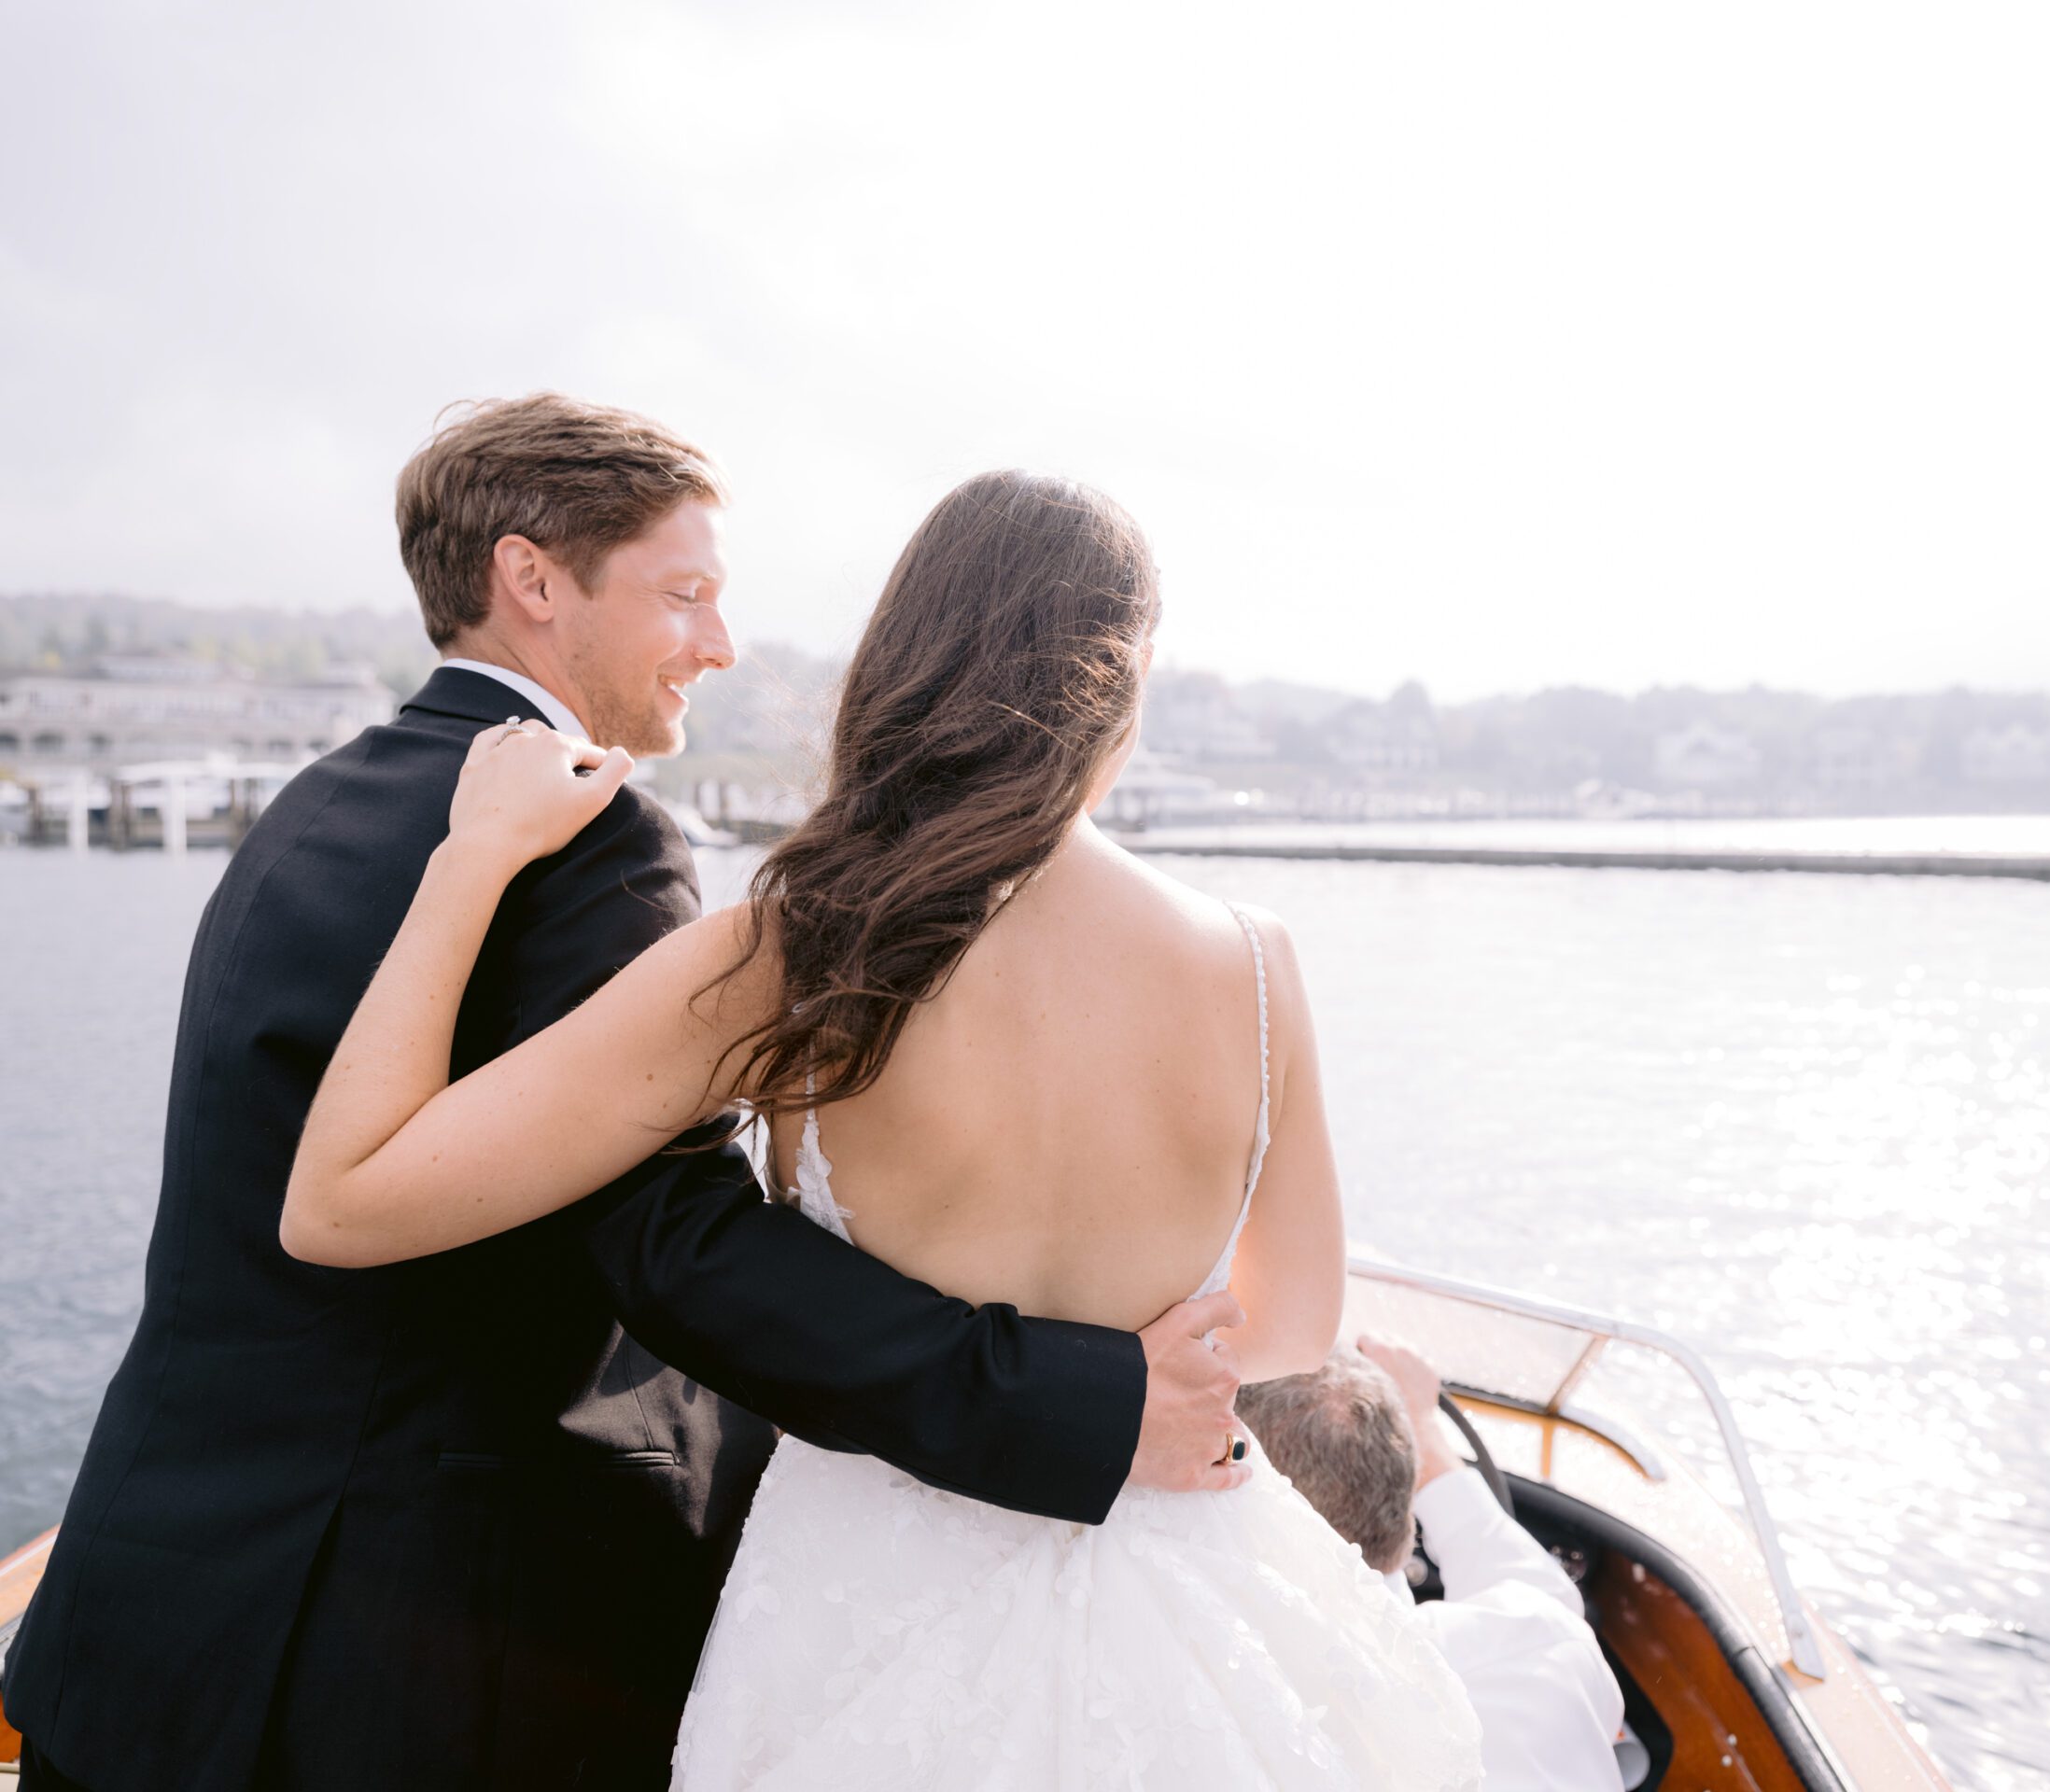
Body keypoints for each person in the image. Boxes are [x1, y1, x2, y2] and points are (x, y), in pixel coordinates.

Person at [0, 399, 1250, 1792]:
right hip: (381, 1669)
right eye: (684, 594)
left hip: (136, 1621)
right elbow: (678, 1244)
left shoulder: (305, 809)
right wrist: (1067, 1401)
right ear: (532, 582)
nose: (719, 644)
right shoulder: (596, 842)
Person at [274, 466, 1487, 1788]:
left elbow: (342, 1202)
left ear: (907, 661)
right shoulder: (1257, 964)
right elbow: (1294, 1323)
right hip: (1179, 1576)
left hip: (866, 1602)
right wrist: (1120, 1367)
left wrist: (471, 862)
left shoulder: (802, 943)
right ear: (1123, 681)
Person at [1238, 1338, 1630, 1792]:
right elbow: (1536, 1587)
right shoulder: (1544, 1641)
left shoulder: (1246, 1691)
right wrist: (1422, 1426)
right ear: (1406, 1482)